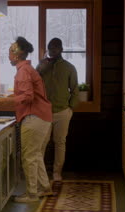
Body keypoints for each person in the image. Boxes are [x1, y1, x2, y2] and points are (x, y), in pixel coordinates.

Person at [0, 37, 54, 203]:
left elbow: (27, 96)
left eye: (9, 53)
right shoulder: (27, 69)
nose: (8, 56)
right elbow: (26, 93)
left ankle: (31, 194)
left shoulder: (23, 71)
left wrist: (6, 101)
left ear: (16, 55)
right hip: (43, 117)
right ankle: (45, 188)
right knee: (35, 155)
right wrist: (11, 97)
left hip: (34, 117)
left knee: (28, 156)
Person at [36, 38, 78, 181]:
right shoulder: (41, 66)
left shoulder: (69, 67)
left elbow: (75, 89)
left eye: (55, 48)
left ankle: (56, 173)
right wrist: (40, 69)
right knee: (42, 143)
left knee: (60, 142)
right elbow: (34, 84)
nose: (52, 50)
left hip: (63, 112)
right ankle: (39, 175)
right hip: (44, 112)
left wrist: (70, 108)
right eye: (49, 48)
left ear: (61, 49)